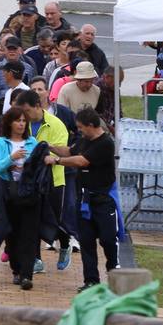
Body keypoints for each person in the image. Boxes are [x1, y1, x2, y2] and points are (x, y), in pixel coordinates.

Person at [45, 108, 119, 291]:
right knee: (87, 241)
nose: (79, 130)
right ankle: (91, 280)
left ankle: (113, 271)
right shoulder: (84, 140)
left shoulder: (106, 143)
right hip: (85, 199)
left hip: (103, 200)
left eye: (81, 127)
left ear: (91, 125)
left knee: (108, 239)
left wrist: (56, 161)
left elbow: (82, 161)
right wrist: (50, 147)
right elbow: (70, 151)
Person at [16, 89, 70, 272]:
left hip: (53, 180)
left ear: (38, 106)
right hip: (30, 180)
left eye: (27, 111)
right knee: (32, 220)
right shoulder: (23, 124)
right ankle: (36, 259)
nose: (25, 116)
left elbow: (63, 152)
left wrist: (46, 150)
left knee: (53, 220)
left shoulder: (56, 125)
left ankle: (65, 243)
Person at [0, 108, 41, 290]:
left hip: (29, 195)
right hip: (9, 194)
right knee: (12, 233)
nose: (21, 124)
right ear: (10, 123)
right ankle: (17, 269)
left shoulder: (32, 142)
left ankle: (26, 274)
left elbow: (38, 166)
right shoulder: (1, 143)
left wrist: (27, 168)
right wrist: (11, 158)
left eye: (24, 121)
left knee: (29, 234)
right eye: (18, 120)